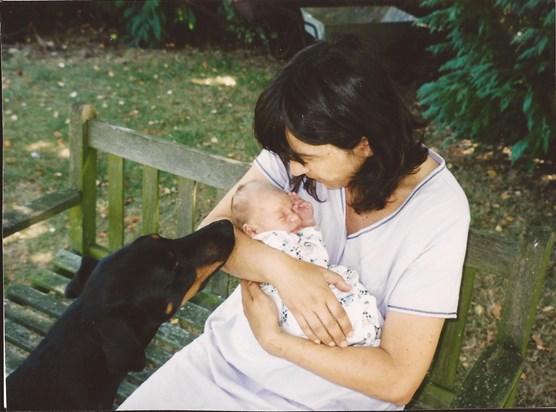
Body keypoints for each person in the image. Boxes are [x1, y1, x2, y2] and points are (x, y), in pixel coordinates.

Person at [119, 35, 470, 410]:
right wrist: (286, 271)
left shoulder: (438, 211)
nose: (292, 171)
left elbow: (399, 379)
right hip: (221, 367)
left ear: (366, 144)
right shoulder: (299, 144)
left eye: (306, 159)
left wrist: (276, 341)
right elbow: (208, 242)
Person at [230, 179, 383, 347]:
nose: (295, 219)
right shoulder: (272, 241)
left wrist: (308, 224)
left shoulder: (272, 239)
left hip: (295, 304)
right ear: (251, 230)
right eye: (282, 216)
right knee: (342, 305)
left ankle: (360, 332)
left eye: (291, 209)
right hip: (289, 308)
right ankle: (360, 334)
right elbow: (316, 260)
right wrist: (309, 228)